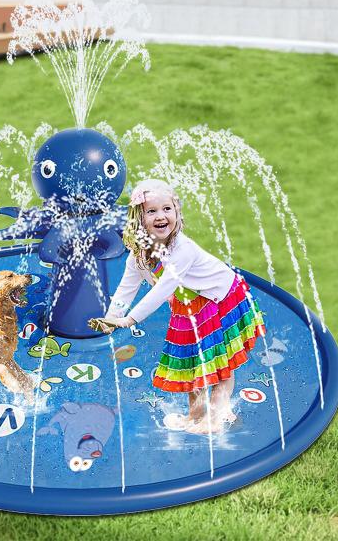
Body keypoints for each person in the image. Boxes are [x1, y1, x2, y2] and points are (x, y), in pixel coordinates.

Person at [89, 179, 265, 434]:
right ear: (139, 219)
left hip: (221, 300)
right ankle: (195, 416)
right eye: (151, 211)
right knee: (192, 362)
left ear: (177, 212)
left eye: (167, 209)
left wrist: (129, 320)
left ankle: (216, 417)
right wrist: (111, 317)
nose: (161, 216)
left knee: (221, 364)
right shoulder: (139, 255)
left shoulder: (182, 249)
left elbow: (163, 289)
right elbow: (126, 288)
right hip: (190, 306)